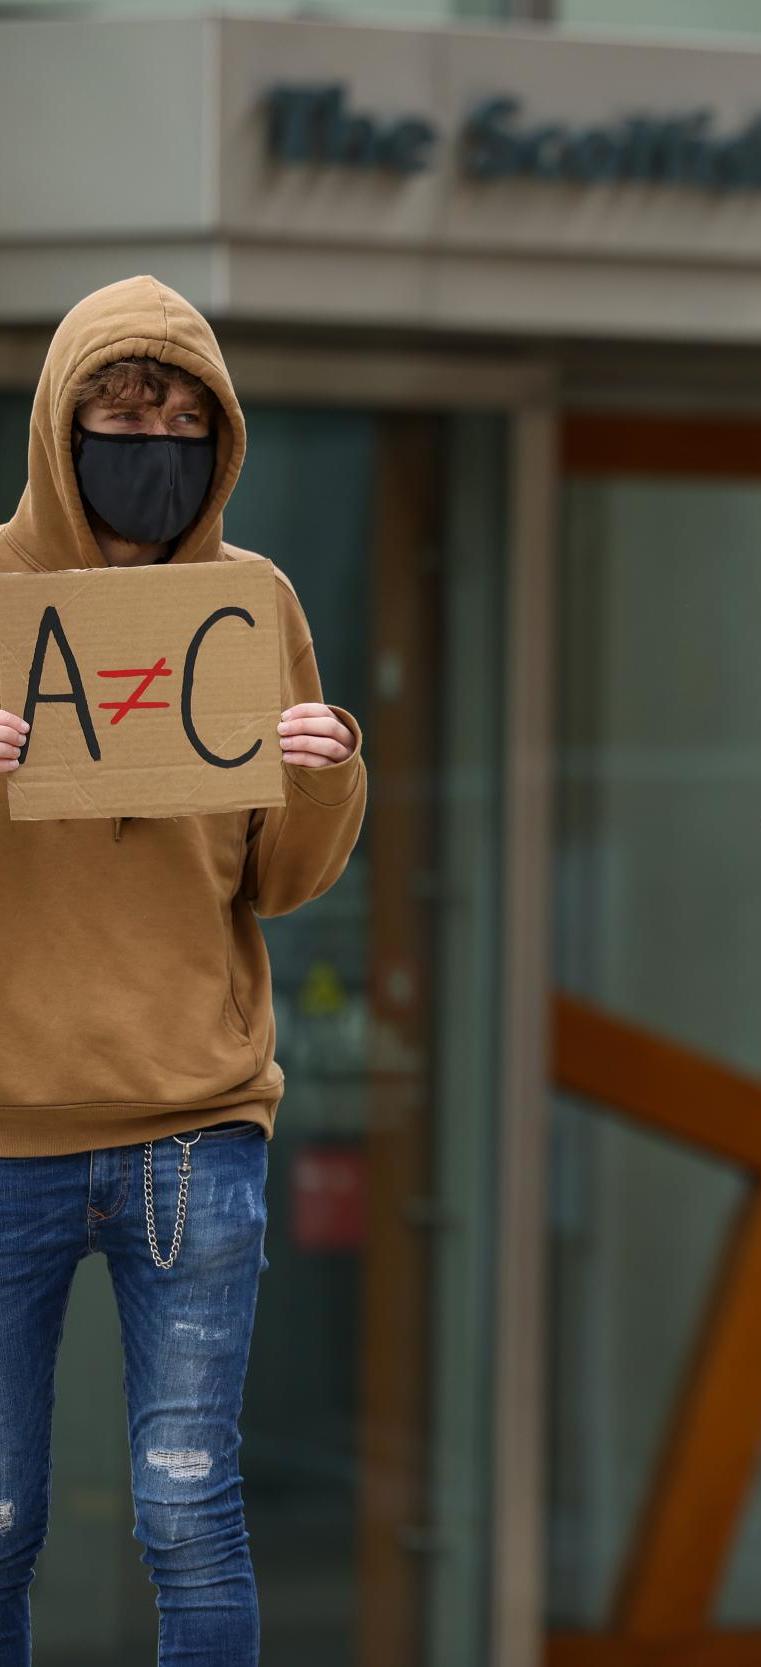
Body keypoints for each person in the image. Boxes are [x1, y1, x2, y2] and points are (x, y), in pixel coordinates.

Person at [0, 276, 366, 1665]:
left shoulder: (249, 599)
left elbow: (282, 875)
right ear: (57, 422)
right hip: (7, 1131)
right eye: (118, 406)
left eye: (179, 412)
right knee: (2, 1514)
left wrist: (325, 778)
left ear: (221, 437)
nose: (149, 436)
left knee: (191, 1515)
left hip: (194, 1128)